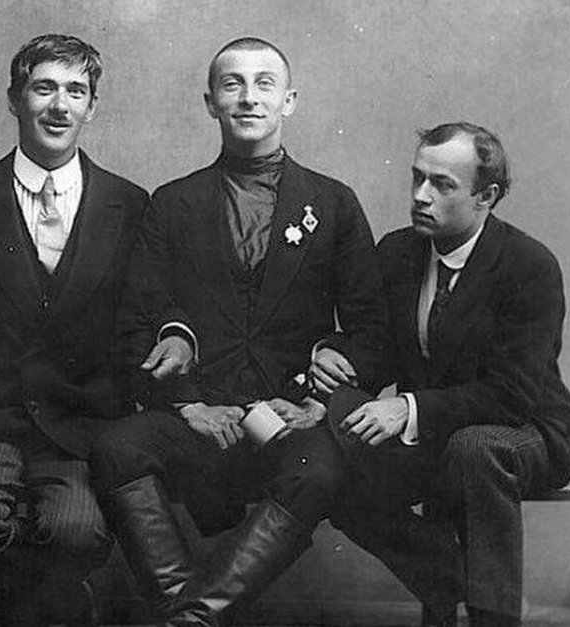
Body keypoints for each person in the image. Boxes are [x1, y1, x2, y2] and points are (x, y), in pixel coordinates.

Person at [90, 37, 389, 626]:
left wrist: (318, 398)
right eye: (232, 84)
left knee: (319, 472)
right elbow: (135, 325)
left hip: (290, 419)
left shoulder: (333, 203)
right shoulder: (172, 203)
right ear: (211, 103)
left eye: (264, 84)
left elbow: (374, 330)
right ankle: (187, 608)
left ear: (289, 101)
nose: (248, 97)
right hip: (205, 420)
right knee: (116, 448)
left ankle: (194, 617)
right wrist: (188, 405)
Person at [0, 34, 153, 625]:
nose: (59, 106)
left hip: (81, 423)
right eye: (44, 88)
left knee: (78, 532)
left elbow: (147, 313)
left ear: (92, 106)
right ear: (14, 99)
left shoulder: (129, 203)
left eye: (76, 91)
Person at [329, 122, 570, 627]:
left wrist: (408, 408)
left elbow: (511, 395)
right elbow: (380, 350)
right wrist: (334, 357)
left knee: (474, 447)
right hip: (436, 432)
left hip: (527, 432)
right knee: (329, 466)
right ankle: (454, 579)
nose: (421, 196)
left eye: (442, 184)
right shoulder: (398, 252)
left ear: (486, 196)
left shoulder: (528, 265)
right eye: (417, 177)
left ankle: (492, 616)